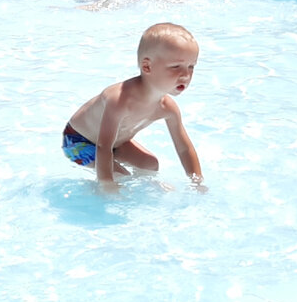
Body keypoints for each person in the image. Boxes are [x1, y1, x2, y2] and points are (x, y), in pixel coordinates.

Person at [62, 22, 203, 191]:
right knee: (119, 177)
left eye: (191, 66)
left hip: (115, 143)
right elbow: (103, 146)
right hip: (77, 141)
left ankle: (144, 188)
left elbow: (184, 148)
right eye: (175, 67)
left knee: (150, 164)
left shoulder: (167, 108)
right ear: (147, 66)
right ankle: (93, 192)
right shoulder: (120, 101)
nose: (186, 75)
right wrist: (107, 185)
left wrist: (197, 182)